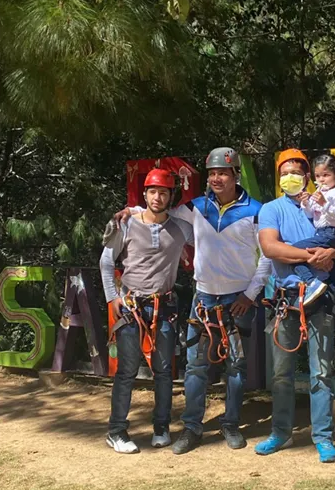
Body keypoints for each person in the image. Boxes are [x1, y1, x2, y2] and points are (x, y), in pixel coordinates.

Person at [114, 147, 271, 455]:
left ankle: (230, 424)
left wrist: (250, 294)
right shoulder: (196, 207)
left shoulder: (256, 211)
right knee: (195, 365)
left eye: (222, 173)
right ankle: (192, 427)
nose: (216, 178)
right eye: (212, 173)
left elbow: (266, 257)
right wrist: (132, 209)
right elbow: (158, 211)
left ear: (235, 175)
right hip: (204, 297)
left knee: (236, 365)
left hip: (238, 299)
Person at [254, 148, 335, 463]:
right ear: (278, 177)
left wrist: (331, 254)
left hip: (321, 299)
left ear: (307, 176)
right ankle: (280, 432)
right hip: (286, 299)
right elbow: (270, 247)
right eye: (284, 172)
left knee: (321, 372)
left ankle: (323, 437)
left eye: (296, 172)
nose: (290, 177)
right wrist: (312, 256)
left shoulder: (320, 203)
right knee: (280, 373)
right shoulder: (272, 209)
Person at [100, 168, 194, 454]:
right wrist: (111, 298)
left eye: (163, 192)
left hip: (163, 307)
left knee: (164, 371)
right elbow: (106, 261)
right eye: (152, 191)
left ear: (171, 197)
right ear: (144, 194)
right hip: (131, 307)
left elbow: (208, 239)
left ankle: (161, 427)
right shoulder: (126, 224)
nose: (157, 197)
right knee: (127, 371)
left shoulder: (181, 229)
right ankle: (116, 431)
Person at [290, 153, 335, 335]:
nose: (321, 179)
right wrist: (306, 202)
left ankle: (311, 282)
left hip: (331, 233)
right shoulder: (321, 193)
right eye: (318, 176)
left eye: (326, 175)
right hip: (324, 233)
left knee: (293, 251)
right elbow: (312, 215)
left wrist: (324, 203)